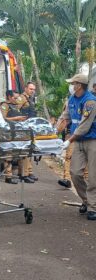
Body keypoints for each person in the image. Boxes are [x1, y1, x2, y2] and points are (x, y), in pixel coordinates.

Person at [62, 73, 96, 220]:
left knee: (93, 176)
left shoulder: (90, 102)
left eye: (73, 83)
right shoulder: (71, 99)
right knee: (75, 173)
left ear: (79, 85)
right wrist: (52, 132)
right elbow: (65, 117)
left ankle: (93, 207)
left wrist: (69, 141)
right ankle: (87, 200)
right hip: (78, 142)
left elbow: (84, 126)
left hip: (92, 140)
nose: (71, 86)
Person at [0, 90, 34, 183]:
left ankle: (23, 174)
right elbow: (3, 118)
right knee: (8, 155)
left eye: (18, 98)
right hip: (9, 132)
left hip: (19, 132)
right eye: (15, 98)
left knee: (24, 152)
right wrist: (16, 118)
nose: (17, 100)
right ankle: (8, 176)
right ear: (9, 97)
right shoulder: (4, 105)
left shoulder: (16, 106)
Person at [16, 82, 38, 181]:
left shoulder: (31, 98)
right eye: (30, 89)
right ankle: (23, 174)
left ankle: (29, 172)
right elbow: (15, 109)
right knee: (24, 151)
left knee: (29, 150)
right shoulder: (21, 98)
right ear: (25, 88)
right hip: (23, 127)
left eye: (33, 89)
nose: (32, 91)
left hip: (30, 127)